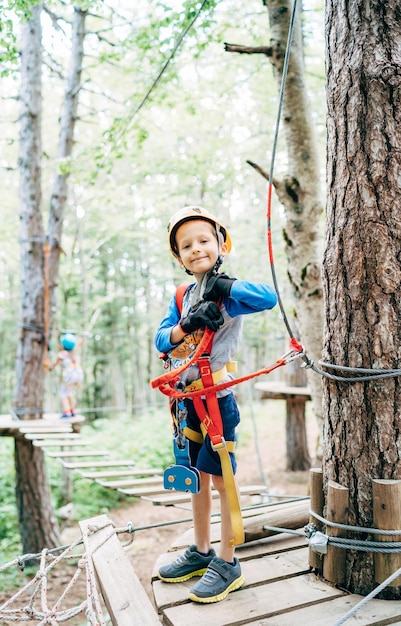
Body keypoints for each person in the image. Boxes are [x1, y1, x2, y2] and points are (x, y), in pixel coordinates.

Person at [154, 205, 278, 603]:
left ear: (220, 243)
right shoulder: (182, 296)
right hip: (187, 403)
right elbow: (161, 340)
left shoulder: (229, 294)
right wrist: (184, 325)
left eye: (204, 240)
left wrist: (225, 288)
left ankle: (227, 560)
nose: (196, 249)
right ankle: (202, 549)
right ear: (178, 257)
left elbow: (267, 298)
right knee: (196, 479)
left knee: (222, 478)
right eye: (186, 245)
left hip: (216, 402)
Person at [49, 332, 83, 418]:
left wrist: (51, 367)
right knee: (69, 392)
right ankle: (72, 411)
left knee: (63, 393)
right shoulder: (74, 351)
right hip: (78, 373)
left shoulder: (62, 354)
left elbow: (55, 364)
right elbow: (79, 343)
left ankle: (67, 412)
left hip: (70, 374)